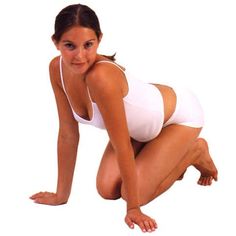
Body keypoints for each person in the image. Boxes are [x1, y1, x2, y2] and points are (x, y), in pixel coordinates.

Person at [30, 3, 218, 233]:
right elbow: (68, 134)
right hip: (140, 129)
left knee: (130, 193)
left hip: (178, 118)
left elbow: (121, 145)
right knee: (107, 190)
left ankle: (195, 151)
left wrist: (133, 208)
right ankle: (162, 155)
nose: (79, 56)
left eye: (88, 45)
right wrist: (61, 195)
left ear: (99, 39)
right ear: (56, 43)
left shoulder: (102, 78)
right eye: (70, 45)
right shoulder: (56, 69)